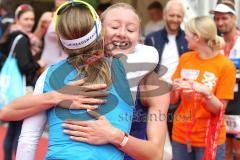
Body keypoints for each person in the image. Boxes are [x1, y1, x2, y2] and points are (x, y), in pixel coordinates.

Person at [16, 2, 169, 160]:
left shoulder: (50, 75)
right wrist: (54, 97)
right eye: (115, 27)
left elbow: (27, 137)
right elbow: (150, 54)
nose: (122, 33)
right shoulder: (129, 68)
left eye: (131, 29)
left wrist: (114, 135)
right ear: (99, 29)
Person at [171, 16, 236, 160]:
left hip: (208, 138)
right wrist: (173, 87)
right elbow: (173, 100)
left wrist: (205, 92)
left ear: (197, 37)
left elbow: (219, 109)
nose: (185, 37)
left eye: (187, 33)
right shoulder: (186, 58)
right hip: (181, 135)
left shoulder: (226, 66)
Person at [2, 4, 46, 160]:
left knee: (12, 130)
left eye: (32, 19)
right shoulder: (21, 39)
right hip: (21, 91)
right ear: (17, 19)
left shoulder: (12, 36)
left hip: (13, 91)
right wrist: (38, 64)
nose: (29, 22)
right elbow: (25, 66)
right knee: (19, 131)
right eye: (26, 19)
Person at [145, 0, 188, 147]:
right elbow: (146, 66)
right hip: (158, 92)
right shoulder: (151, 38)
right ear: (164, 15)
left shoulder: (188, 38)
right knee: (156, 137)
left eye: (179, 16)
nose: (175, 19)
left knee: (179, 137)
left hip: (181, 93)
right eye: (172, 15)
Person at [210, 1, 240, 160]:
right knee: (224, 149)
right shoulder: (214, 43)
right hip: (220, 99)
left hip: (238, 100)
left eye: (224, 18)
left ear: (234, 18)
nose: (220, 22)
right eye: (217, 18)